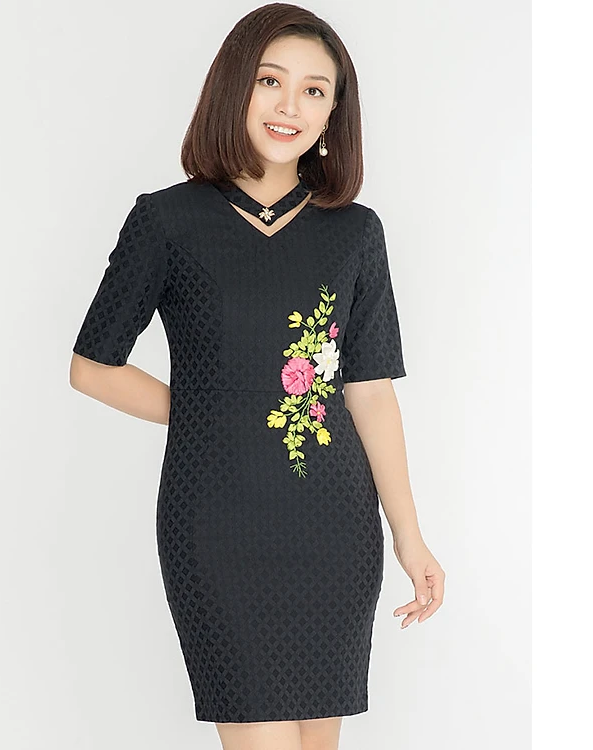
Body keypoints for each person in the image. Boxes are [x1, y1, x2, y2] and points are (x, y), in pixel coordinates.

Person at [69, 4, 445, 749]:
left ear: (334, 113)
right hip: (216, 524)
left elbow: (369, 391)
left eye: (314, 90)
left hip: (334, 528)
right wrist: (210, 408)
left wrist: (410, 537)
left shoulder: (356, 232)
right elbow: (92, 367)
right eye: (271, 80)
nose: (289, 105)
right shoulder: (166, 221)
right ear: (234, 85)